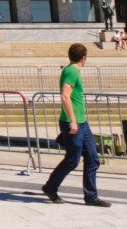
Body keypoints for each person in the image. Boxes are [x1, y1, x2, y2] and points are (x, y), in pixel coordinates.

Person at [42, 43, 109, 207]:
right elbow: (65, 95)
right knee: (72, 160)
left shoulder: (72, 71)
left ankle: (91, 197)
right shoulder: (71, 71)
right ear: (84, 58)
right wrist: (72, 121)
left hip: (82, 123)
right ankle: (50, 187)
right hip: (74, 123)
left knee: (93, 158)